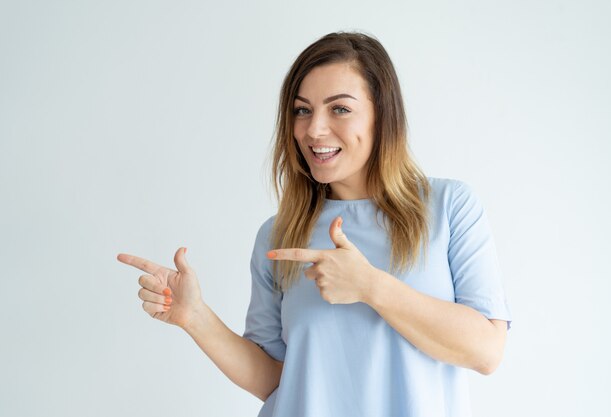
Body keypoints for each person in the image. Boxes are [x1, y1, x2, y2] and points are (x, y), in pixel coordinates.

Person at [117, 31, 512, 417]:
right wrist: (195, 317)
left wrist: (370, 286)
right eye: (302, 110)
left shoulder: (448, 207)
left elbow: (486, 352)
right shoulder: (278, 235)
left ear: (382, 115)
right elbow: (273, 379)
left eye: (339, 108)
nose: (313, 129)